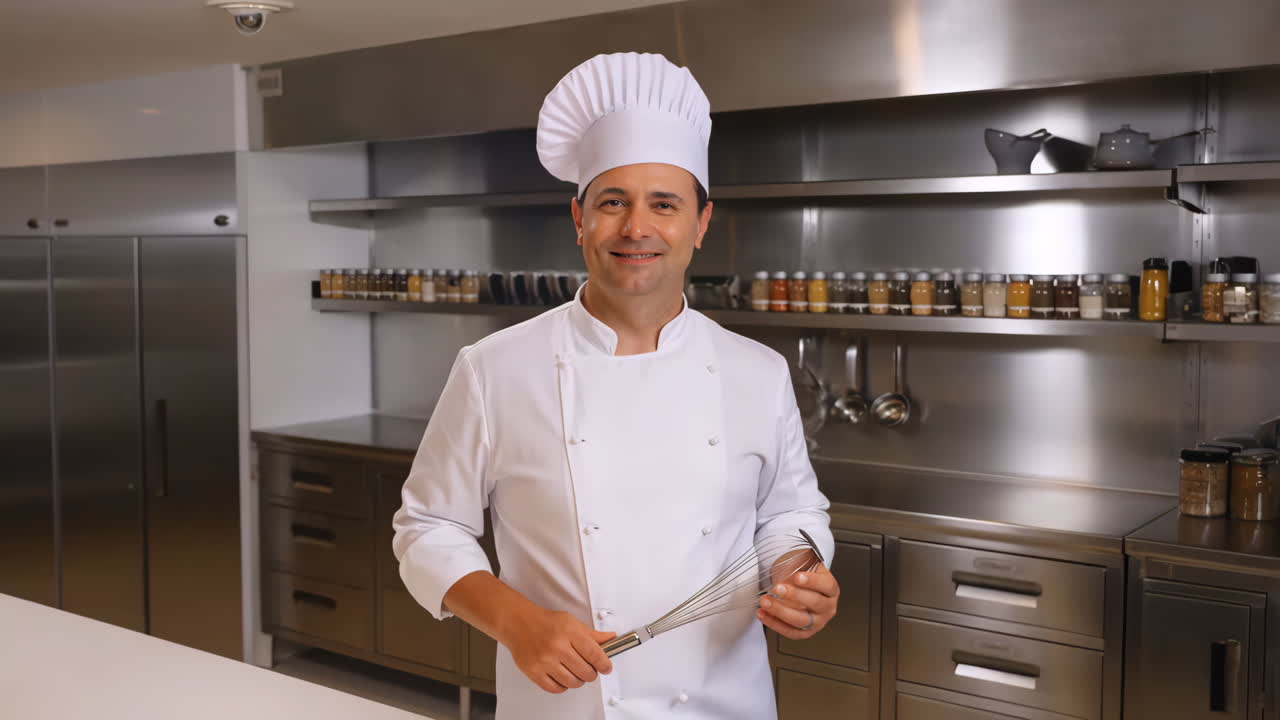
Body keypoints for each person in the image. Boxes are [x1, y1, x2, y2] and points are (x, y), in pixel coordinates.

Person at [392, 52, 839, 720]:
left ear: (700, 224)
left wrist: (799, 571)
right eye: (612, 203)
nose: (636, 228)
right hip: (568, 704)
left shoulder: (757, 371)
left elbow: (788, 514)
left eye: (664, 204)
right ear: (579, 220)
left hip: (726, 702)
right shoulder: (495, 368)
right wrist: (514, 621)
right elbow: (427, 528)